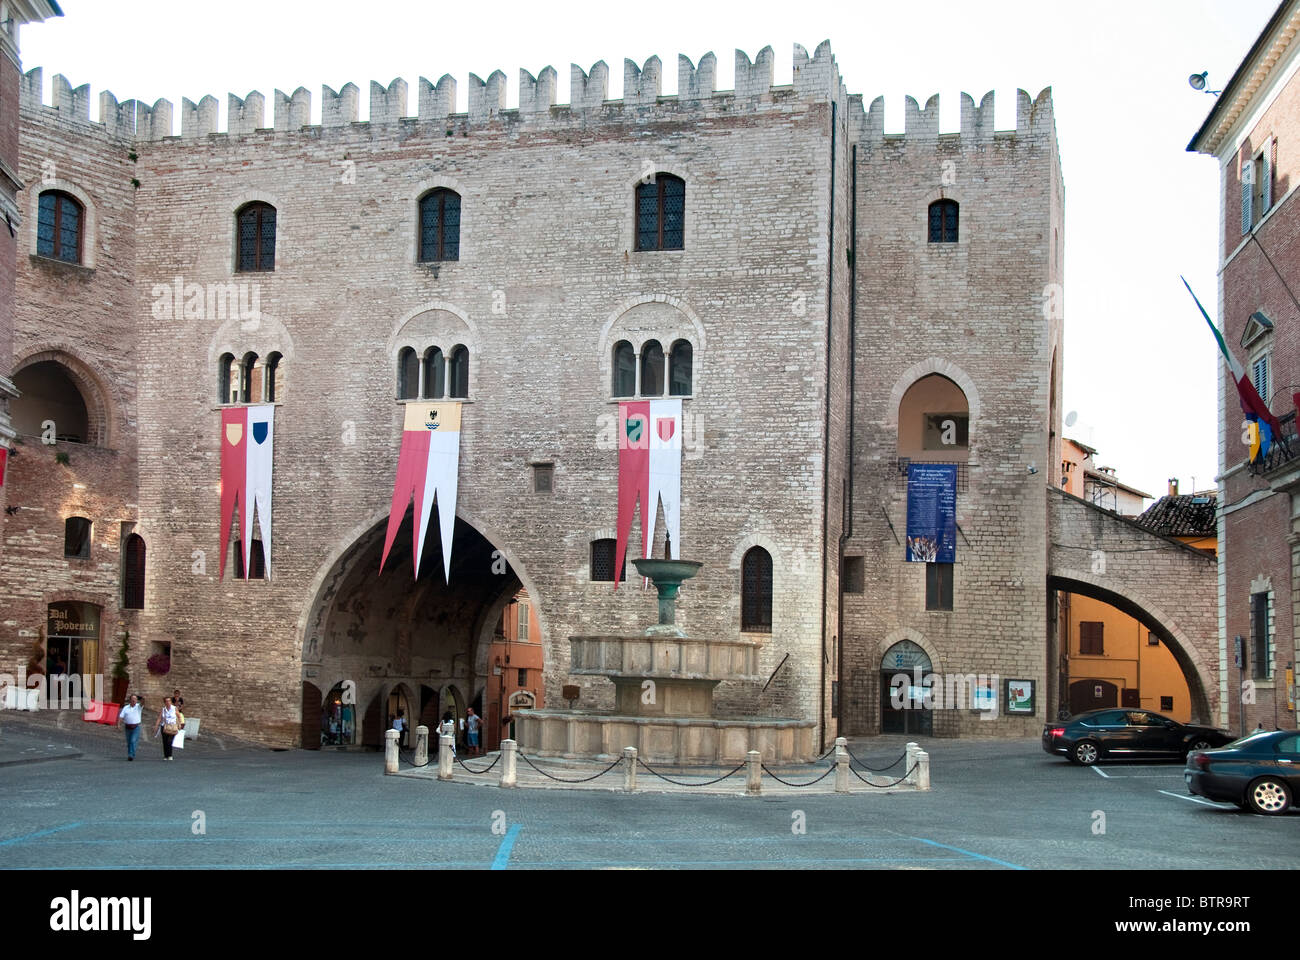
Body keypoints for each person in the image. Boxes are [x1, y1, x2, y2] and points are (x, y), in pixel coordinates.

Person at [118, 694, 143, 760]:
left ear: (137, 700)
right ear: (130, 700)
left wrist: (142, 698)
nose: (133, 700)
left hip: (136, 727)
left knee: (133, 741)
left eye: (135, 699)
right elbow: (121, 716)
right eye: (132, 699)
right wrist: (119, 724)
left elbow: (143, 702)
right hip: (127, 727)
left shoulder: (138, 707)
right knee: (129, 742)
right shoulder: (126, 707)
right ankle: (130, 753)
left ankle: (131, 755)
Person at [158, 696, 179, 760]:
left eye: (169, 701)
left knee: (169, 741)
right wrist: (156, 726)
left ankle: (170, 755)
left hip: (172, 727)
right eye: (166, 701)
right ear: (164, 702)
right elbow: (159, 718)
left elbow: (179, 716)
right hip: (164, 726)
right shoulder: (163, 709)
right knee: (165, 741)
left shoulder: (174, 708)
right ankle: (165, 755)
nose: (168, 702)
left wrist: (180, 724)